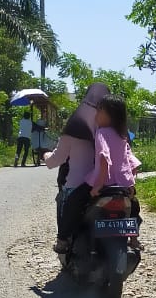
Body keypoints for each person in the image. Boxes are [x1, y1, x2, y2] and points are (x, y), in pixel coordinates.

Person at [43, 82, 109, 250]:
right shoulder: (112, 126)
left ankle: (63, 240)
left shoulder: (75, 126)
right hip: (112, 184)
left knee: (63, 197)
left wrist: (45, 154)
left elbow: (54, 161)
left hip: (81, 184)